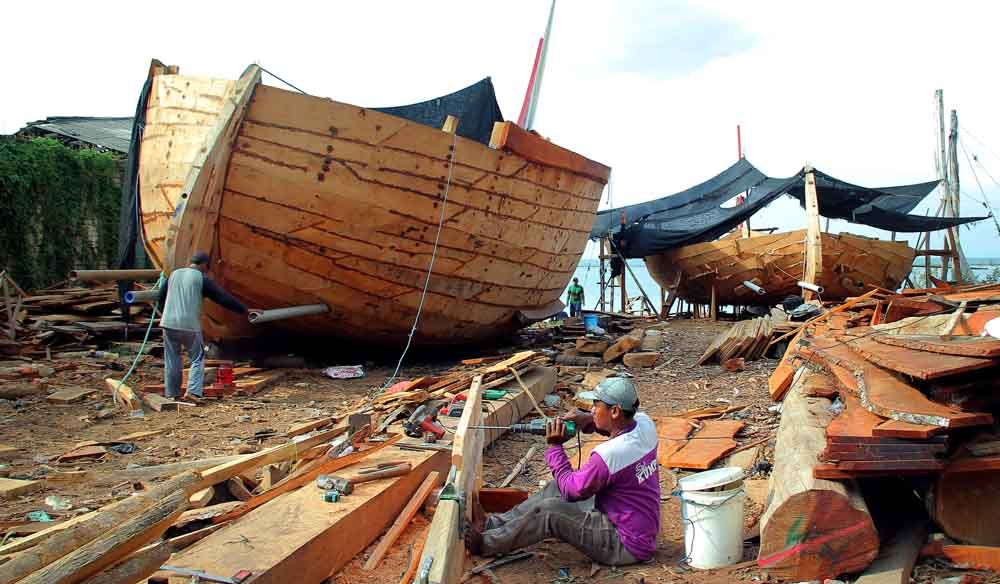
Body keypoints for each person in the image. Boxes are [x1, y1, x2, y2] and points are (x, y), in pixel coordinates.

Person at [466, 378, 660, 566]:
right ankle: (491, 524)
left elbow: (571, 491)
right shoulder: (645, 424)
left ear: (615, 411)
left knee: (550, 511)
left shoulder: (609, 455)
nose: (592, 409)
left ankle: (486, 544)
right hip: (632, 520)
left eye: (596, 405)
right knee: (554, 487)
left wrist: (554, 446)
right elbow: (617, 425)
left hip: (624, 543)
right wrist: (589, 420)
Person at [157, 251, 249, 403]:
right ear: (205, 265)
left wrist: (163, 314)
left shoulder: (173, 275)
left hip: (168, 324)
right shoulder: (201, 279)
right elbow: (223, 298)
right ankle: (193, 392)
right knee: (197, 358)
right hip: (189, 326)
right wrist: (245, 310)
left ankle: (172, 393)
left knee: (172, 358)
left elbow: (160, 297)